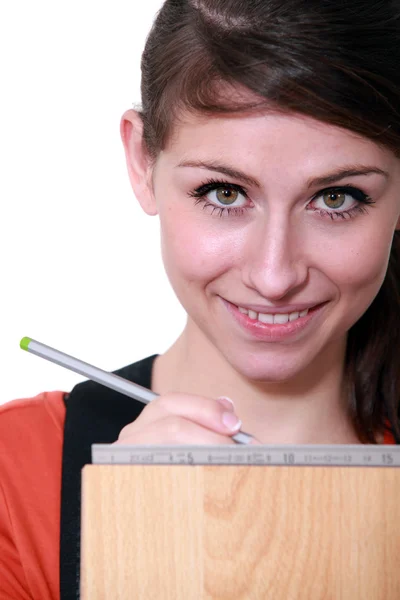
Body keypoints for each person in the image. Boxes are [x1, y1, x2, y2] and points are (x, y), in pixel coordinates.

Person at [1, 0, 400, 598]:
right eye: (224, 192)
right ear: (142, 162)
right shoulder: (14, 477)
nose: (275, 275)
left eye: (338, 198)